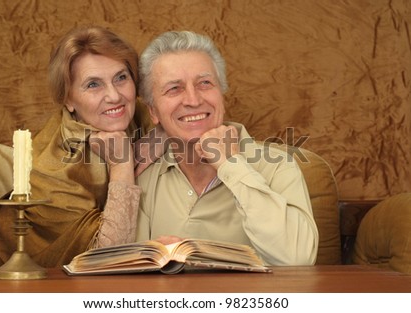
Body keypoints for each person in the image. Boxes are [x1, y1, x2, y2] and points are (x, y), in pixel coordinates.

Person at [0, 26, 151, 268]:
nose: (114, 96)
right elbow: (107, 258)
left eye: (121, 77)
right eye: (93, 85)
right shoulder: (53, 167)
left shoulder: (141, 116)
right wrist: (121, 163)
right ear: (68, 99)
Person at [135, 30, 319, 265]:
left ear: (221, 94)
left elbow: (298, 260)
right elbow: (130, 270)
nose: (193, 100)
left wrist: (230, 164)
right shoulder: (145, 175)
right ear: (153, 111)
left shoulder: (278, 166)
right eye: (174, 88)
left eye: (205, 83)